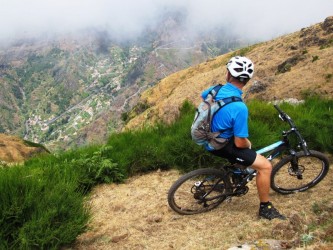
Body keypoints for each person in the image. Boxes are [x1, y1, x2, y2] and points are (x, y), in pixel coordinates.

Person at [201, 56, 286, 220]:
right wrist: (248, 142)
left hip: (206, 135)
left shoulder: (215, 90)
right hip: (220, 145)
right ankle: (265, 208)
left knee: (243, 152)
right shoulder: (240, 107)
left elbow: (203, 99)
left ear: (228, 75)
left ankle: (237, 173)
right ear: (247, 80)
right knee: (265, 166)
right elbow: (240, 143)